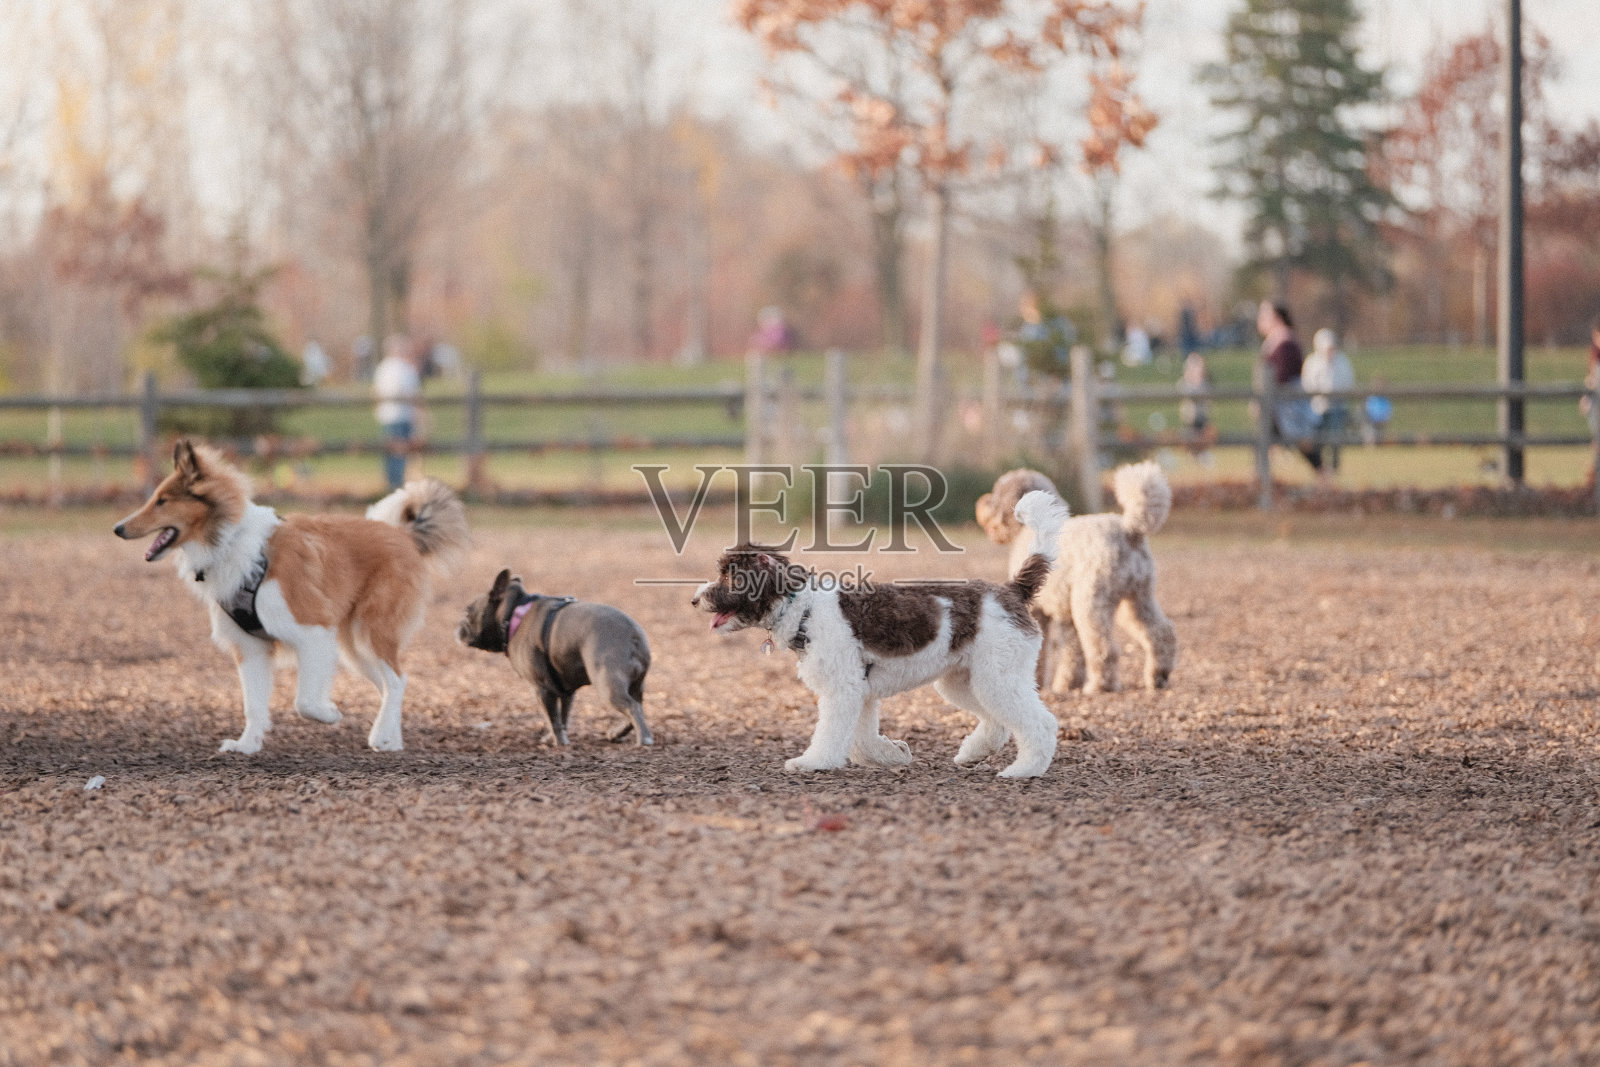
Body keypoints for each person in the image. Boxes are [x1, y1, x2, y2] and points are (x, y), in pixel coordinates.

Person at [1256, 300, 1320, 473]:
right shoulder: (1275, 341)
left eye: (1264, 316)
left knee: (1301, 439)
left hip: (1287, 402)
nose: (1260, 320)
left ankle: (1323, 473)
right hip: (1277, 402)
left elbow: (1283, 374)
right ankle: (1263, 478)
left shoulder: (1285, 342)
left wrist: (1266, 393)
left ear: (1276, 318)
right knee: (1267, 438)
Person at [1302, 327, 1355, 481]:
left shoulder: (1342, 362)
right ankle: (1321, 469)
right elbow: (1307, 384)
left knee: (1336, 439)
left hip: (1338, 408)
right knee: (1318, 440)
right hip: (1317, 409)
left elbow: (1348, 383)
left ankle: (1334, 468)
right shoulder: (1312, 363)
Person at [373, 334, 424, 491]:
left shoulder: (382, 368)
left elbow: (376, 392)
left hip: (387, 416)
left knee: (390, 451)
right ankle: (396, 485)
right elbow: (413, 394)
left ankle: (391, 483)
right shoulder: (405, 369)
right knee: (400, 452)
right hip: (402, 416)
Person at [1178, 351, 1215, 465]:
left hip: (1201, 415)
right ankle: (1193, 454)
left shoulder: (1204, 383)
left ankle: (1201, 454)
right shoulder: (1185, 384)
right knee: (1191, 434)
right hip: (1190, 416)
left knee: (1201, 434)